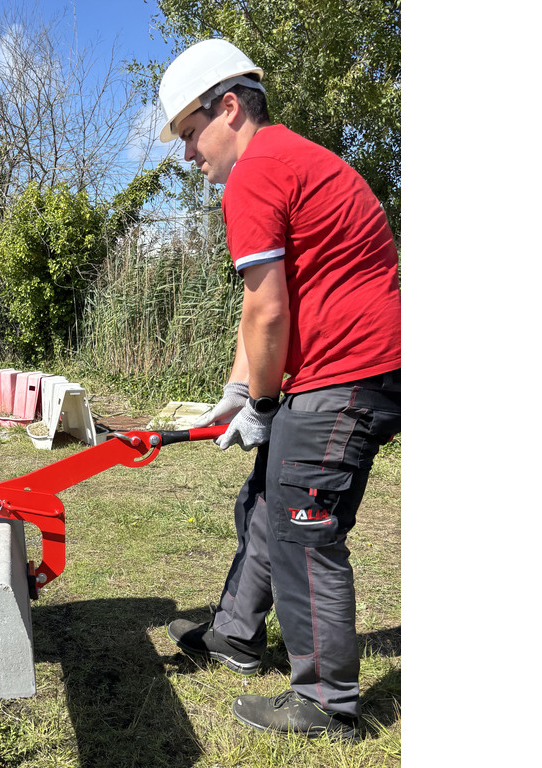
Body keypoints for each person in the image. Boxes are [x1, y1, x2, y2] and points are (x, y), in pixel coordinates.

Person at [157, 39, 401, 742]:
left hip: (345, 374)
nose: (187, 155)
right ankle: (235, 634)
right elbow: (262, 304)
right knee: (266, 499)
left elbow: (268, 311)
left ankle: (327, 705)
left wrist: (265, 405)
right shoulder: (286, 159)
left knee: (304, 531)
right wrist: (242, 390)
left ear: (228, 107)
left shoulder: (257, 173)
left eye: (190, 133)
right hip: (342, 370)